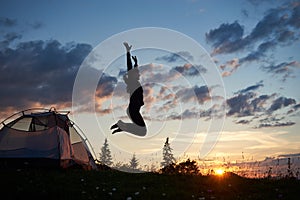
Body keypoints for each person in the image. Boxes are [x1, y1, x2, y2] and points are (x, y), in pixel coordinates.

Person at [110, 42, 147, 136]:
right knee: (143, 131)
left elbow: (133, 70)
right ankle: (122, 125)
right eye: (137, 73)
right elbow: (129, 67)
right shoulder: (132, 82)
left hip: (134, 110)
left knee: (142, 131)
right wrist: (128, 52)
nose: (139, 74)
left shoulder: (136, 82)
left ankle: (123, 126)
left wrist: (136, 64)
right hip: (133, 110)